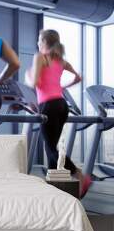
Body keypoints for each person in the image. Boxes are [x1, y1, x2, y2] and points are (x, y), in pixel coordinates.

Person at [26, 29, 91, 197]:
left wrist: (27, 75)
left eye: (39, 40)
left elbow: (33, 82)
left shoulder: (41, 57)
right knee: (52, 148)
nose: (38, 43)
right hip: (62, 105)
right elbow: (78, 77)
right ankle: (55, 188)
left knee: (51, 147)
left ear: (43, 41)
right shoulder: (60, 60)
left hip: (49, 105)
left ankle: (79, 174)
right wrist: (62, 88)